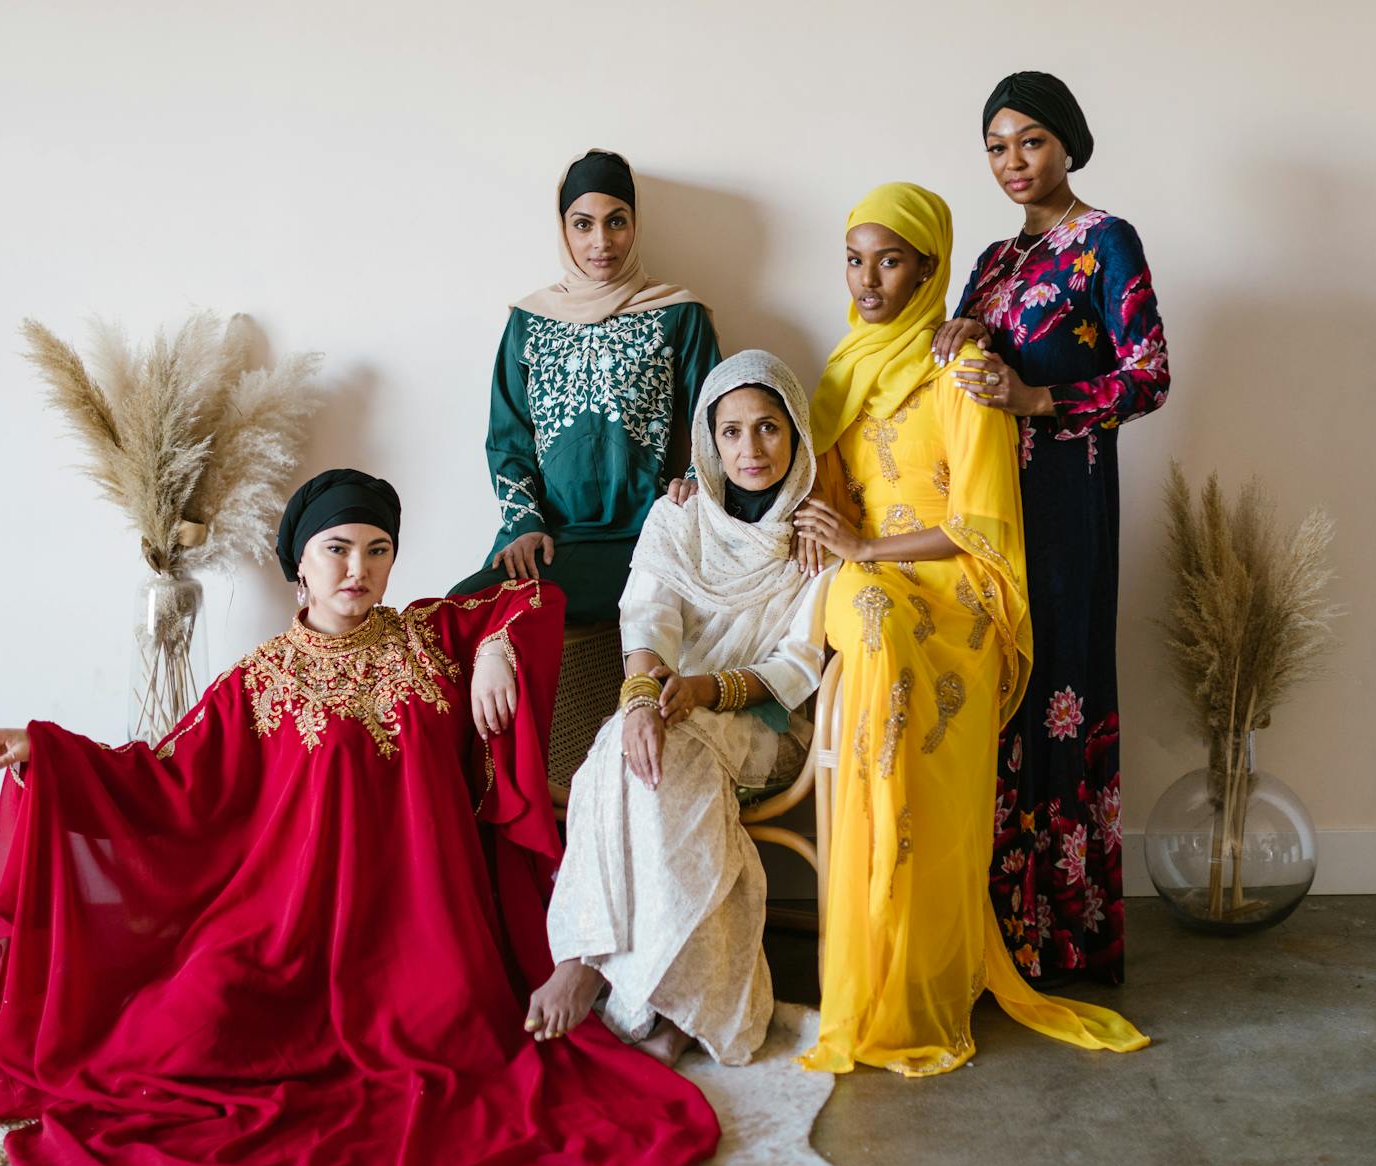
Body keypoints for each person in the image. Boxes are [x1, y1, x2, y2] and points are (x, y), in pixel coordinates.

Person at [0, 469, 719, 1166]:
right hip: (283, 931)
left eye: (378, 551)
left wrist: (491, 648)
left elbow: (528, 596)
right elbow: (159, 777)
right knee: (189, 1031)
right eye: (336, 549)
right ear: (299, 563)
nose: (358, 571)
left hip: (424, 947)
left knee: (451, 1061)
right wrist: (47, 751)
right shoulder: (258, 682)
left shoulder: (428, 639)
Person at [792, 182, 1149, 1077]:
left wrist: (867, 543)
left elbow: (979, 528)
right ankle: (873, 954)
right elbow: (797, 487)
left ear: (929, 269)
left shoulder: (966, 372)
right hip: (868, 585)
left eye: (891, 261)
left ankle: (914, 963)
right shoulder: (840, 374)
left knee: (885, 619)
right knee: (870, 613)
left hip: (956, 592)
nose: (869, 280)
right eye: (855, 259)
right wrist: (705, 487)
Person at [932, 71, 1171, 985]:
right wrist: (957, 341)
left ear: (1067, 142)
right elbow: (964, 363)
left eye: (1029, 141)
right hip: (990, 512)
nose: (1013, 163)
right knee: (999, 701)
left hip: (1067, 505)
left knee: (1059, 692)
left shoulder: (1106, 241)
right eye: (996, 147)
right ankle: (993, 932)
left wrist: (1038, 398)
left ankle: (1065, 939)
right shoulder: (991, 261)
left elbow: (1148, 375)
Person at [531, 350, 834, 1068]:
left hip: (765, 723)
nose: (749, 449)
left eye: (767, 429)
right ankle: (648, 991)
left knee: (680, 750)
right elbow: (649, 615)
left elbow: (797, 663)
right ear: (709, 440)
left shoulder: (816, 536)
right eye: (730, 432)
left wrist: (703, 691)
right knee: (622, 743)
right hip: (669, 701)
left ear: (795, 434)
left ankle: (601, 962)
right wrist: (641, 698)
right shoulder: (678, 517)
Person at [450, 149, 723, 623]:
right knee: (457, 616)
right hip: (548, 539)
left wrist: (694, 485)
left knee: (528, 620)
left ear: (636, 226)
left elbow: (718, 419)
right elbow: (508, 438)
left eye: (617, 222)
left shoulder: (678, 313)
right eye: (583, 224)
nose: (602, 241)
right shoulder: (529, 321)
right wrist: (524, 524)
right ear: (563, 229)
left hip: (645, 536)